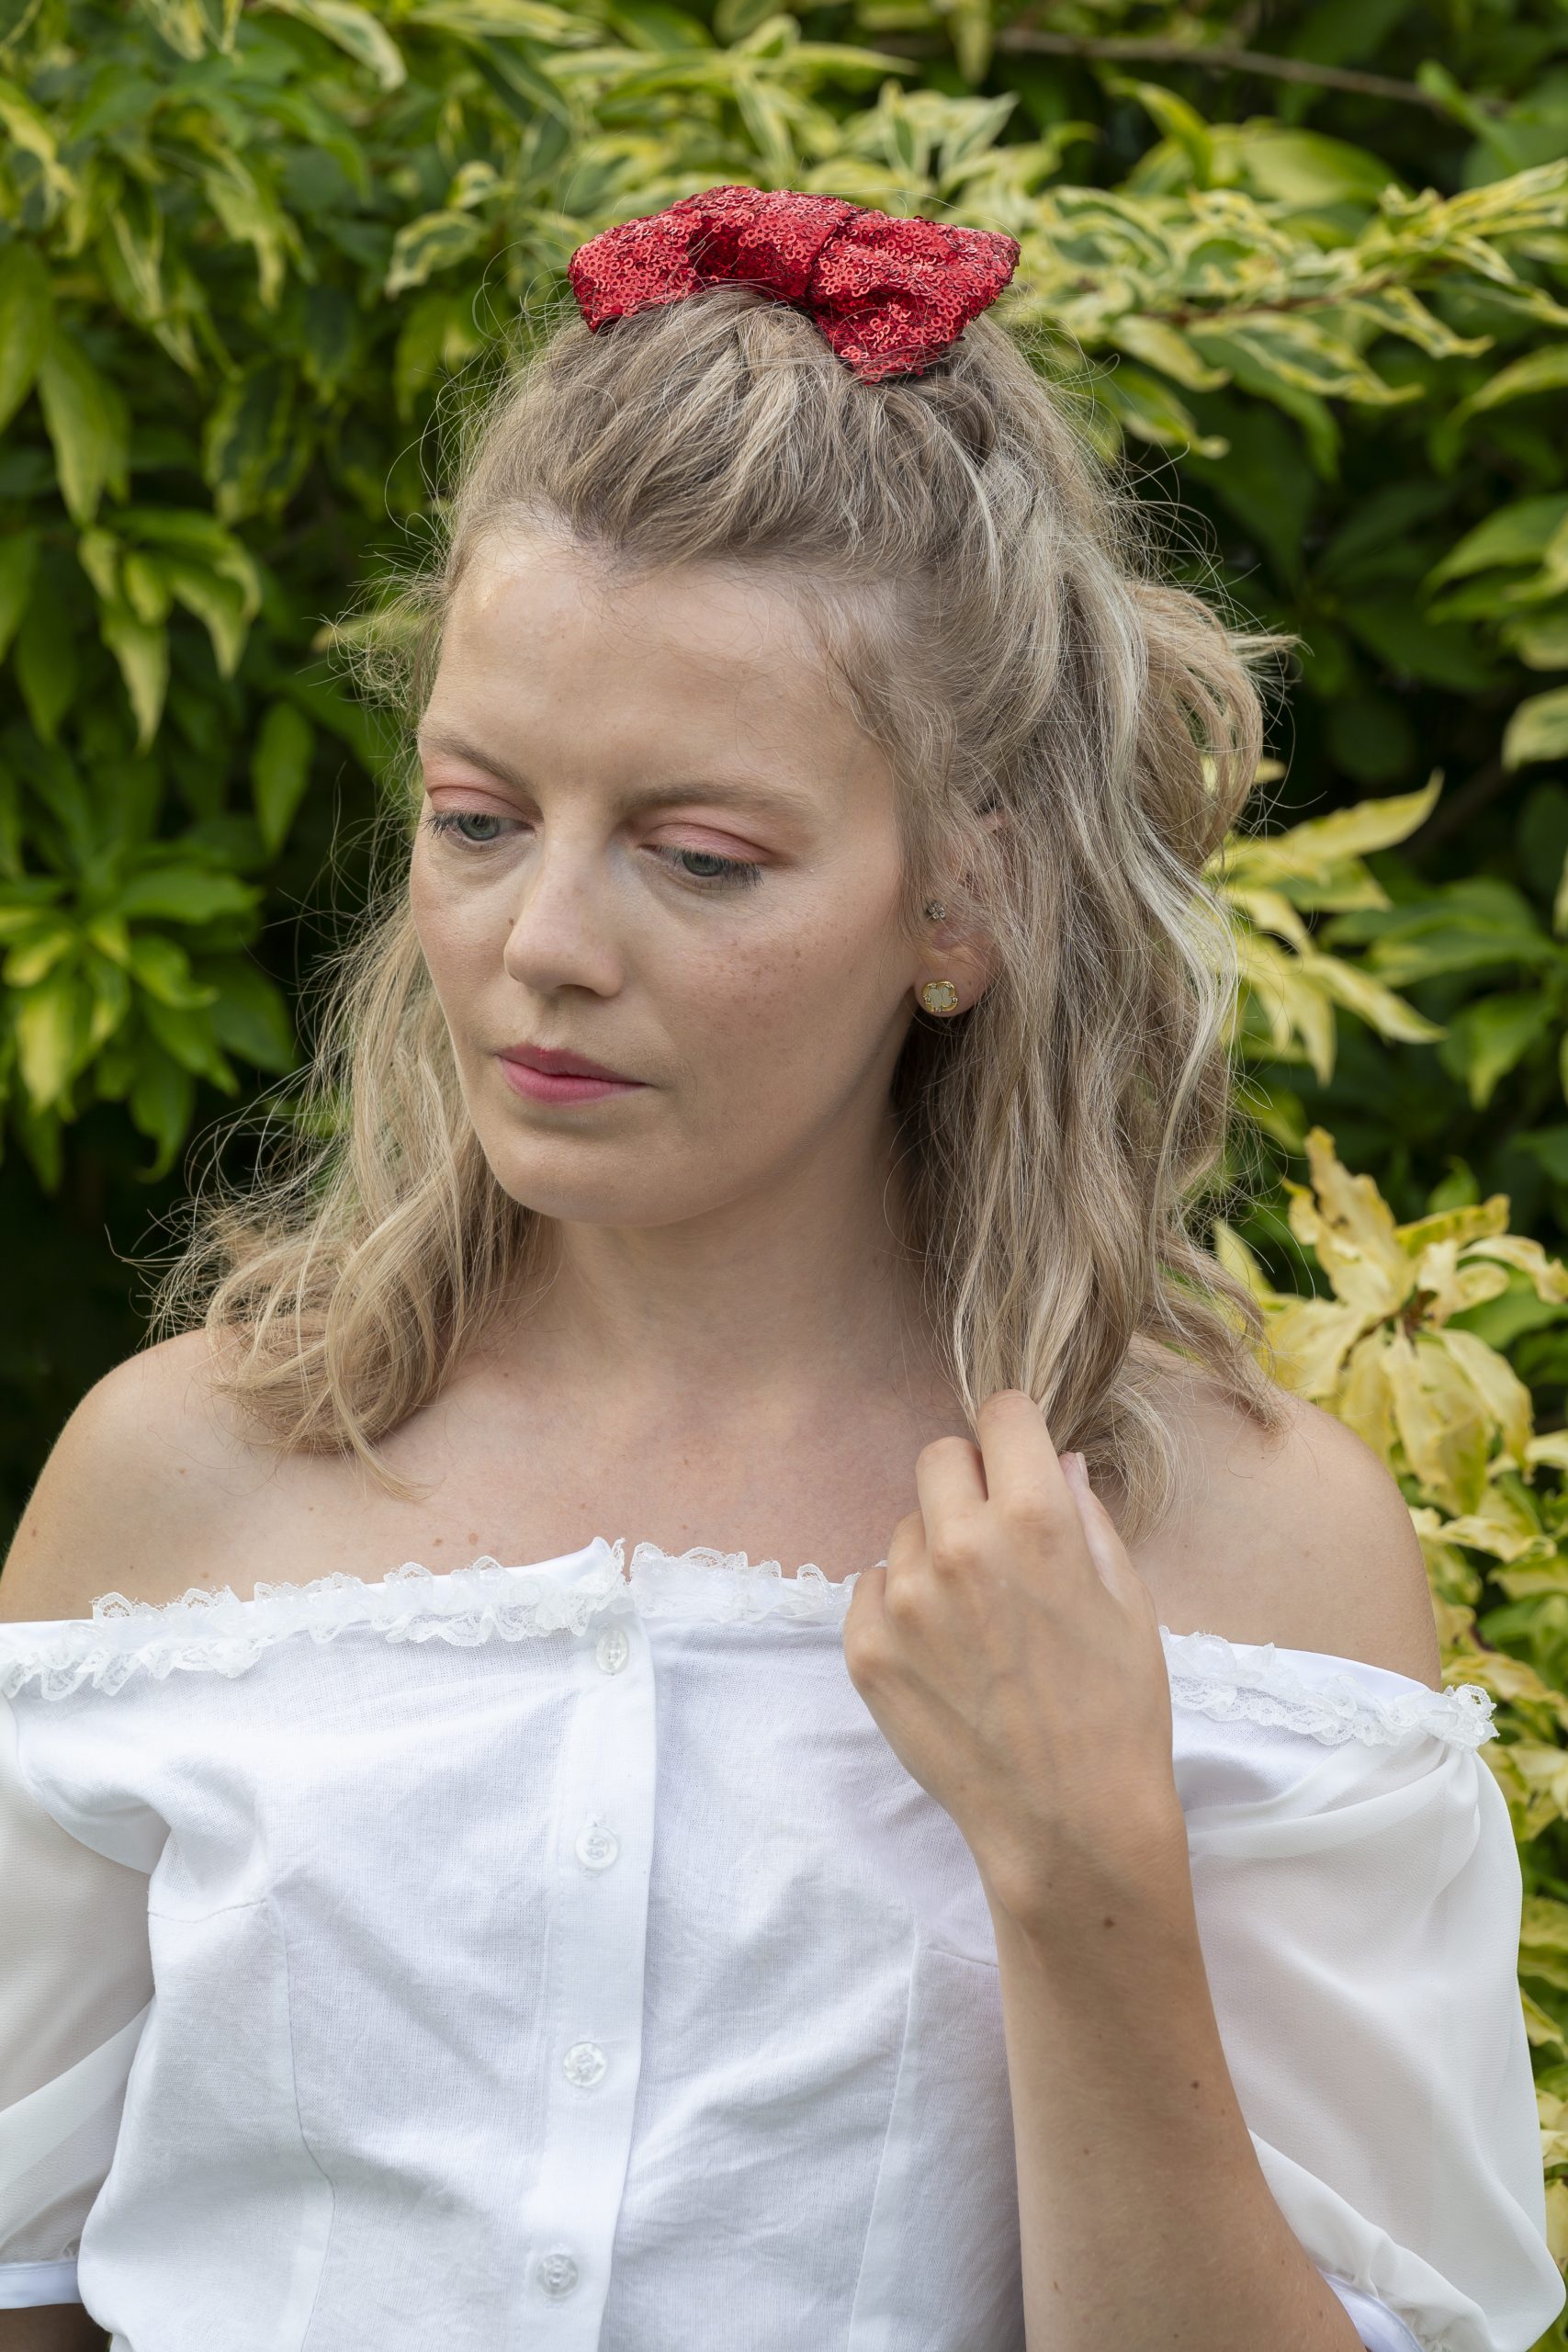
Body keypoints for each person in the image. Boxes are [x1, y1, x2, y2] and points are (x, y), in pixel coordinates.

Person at [0, 184, 1559, 2352]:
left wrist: (1080, 1858)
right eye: (477, 816)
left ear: (960, 901)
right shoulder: (178, 1490)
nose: (543, 940)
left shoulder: (1240, 1557)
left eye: (700, 855)